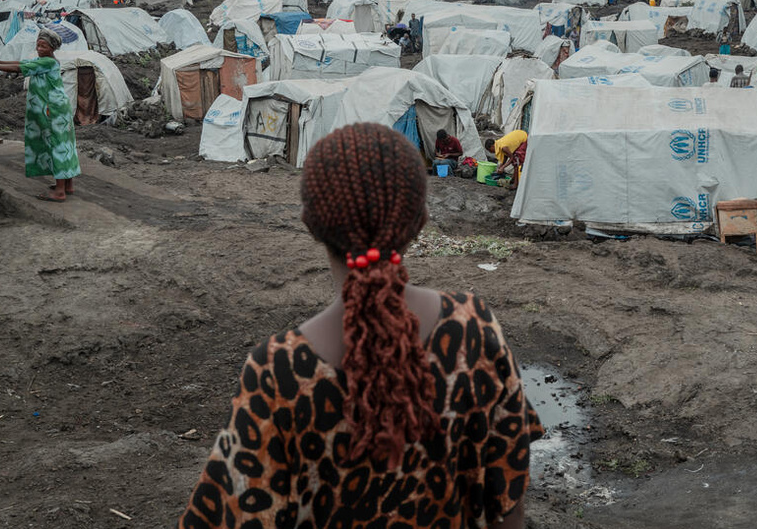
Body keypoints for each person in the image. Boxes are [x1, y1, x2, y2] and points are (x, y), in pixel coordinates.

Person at [177, 123, 542, 528]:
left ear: (310, 223)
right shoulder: (473, 331)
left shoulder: (278, 373)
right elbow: (509, 502)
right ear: (419, 222)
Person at [0, 30, 80, 201]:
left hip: (51, 111)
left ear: (52, 48)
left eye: (44, 46)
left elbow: (19, 68)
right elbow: (22, 62)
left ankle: (59, 192)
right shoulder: (44, 61)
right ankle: (67, 185)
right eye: (38, 44)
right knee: (64, 143)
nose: (39, 48)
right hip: (58, 109)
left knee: (56, 145)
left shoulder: (47, 62)